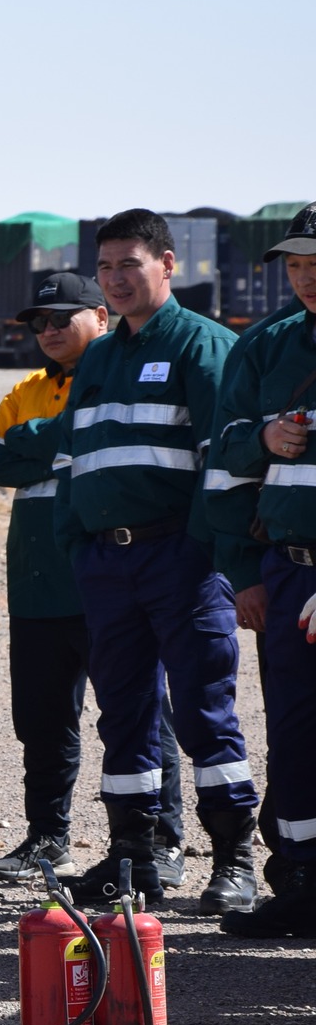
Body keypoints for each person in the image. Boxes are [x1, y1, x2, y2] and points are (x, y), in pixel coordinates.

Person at [55, 208, 258, 912]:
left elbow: (223, 462)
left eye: (129, 265)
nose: (114, 279)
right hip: (108, 565)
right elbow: (71, 456)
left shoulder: (202, 346)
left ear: (168, 265)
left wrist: (206, 553)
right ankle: (133, 857)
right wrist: (75, 539)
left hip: (180, 556)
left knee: (203, 710)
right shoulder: (101, 354)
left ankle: (234, 859)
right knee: (123, 711)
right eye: (105, 268)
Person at [0, 273, 188, 883]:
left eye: (61, 318)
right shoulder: (26, 390)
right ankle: (48, 838)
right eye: (39, 323)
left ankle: (161, 841)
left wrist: (33, 442)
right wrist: (61, 438)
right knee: (41, 721)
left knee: (140, 713)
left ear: (100, 314)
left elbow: (67, 438)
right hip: (38, 585)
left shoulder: (118, 376)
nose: (48, 331)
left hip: (104, 581)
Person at [208, 200, 316, 936]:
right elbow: (224, 459)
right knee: (296, 728)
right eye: (297, 264)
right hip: (288, 573)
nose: (306, 276)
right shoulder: (269, 345)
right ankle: (301, 884)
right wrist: (243, 571)